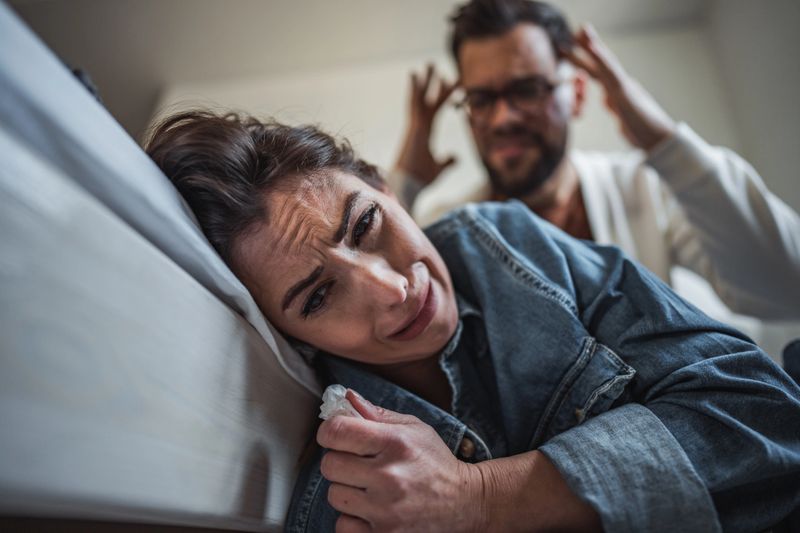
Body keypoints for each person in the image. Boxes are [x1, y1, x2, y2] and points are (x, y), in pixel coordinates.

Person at [146, 110, 800, 532]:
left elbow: (766, 414)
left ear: (386, 187)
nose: (394, 288)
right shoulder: (340, 484)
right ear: (289, 337)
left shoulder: (505, 242)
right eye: (318, 298)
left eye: (368, 225)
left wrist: (480, 496)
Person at [392, 0, 800, 325]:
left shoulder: (643, 186)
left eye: (528, 89)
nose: (502, 119)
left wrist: (665, 144)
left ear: (578, 95)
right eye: (481, 100)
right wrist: (403, 185)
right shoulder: (451, 223)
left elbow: (786, 287)